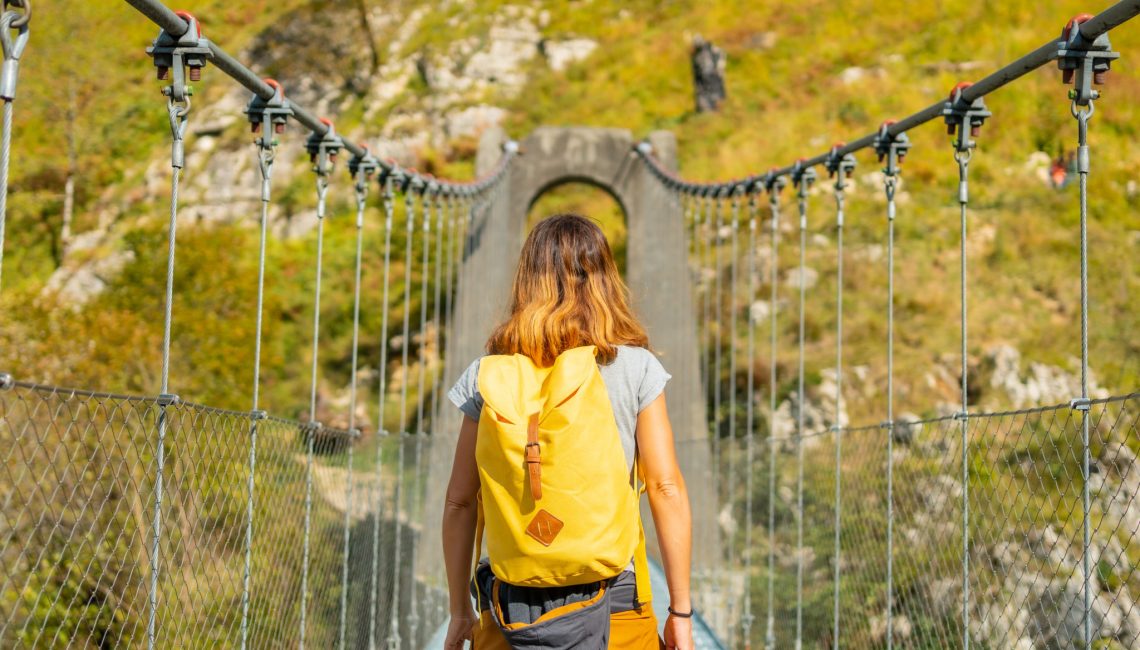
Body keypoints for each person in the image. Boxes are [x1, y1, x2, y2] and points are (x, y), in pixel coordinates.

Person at [441, 214, 694, 649]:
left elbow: (460, 501)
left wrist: (459, 611)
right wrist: (681, 614)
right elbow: (665, 487)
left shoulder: (489, 374)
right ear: (604, 279)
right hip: (615, 599)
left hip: (510, 610)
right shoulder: (635, 367)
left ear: (526, 281)